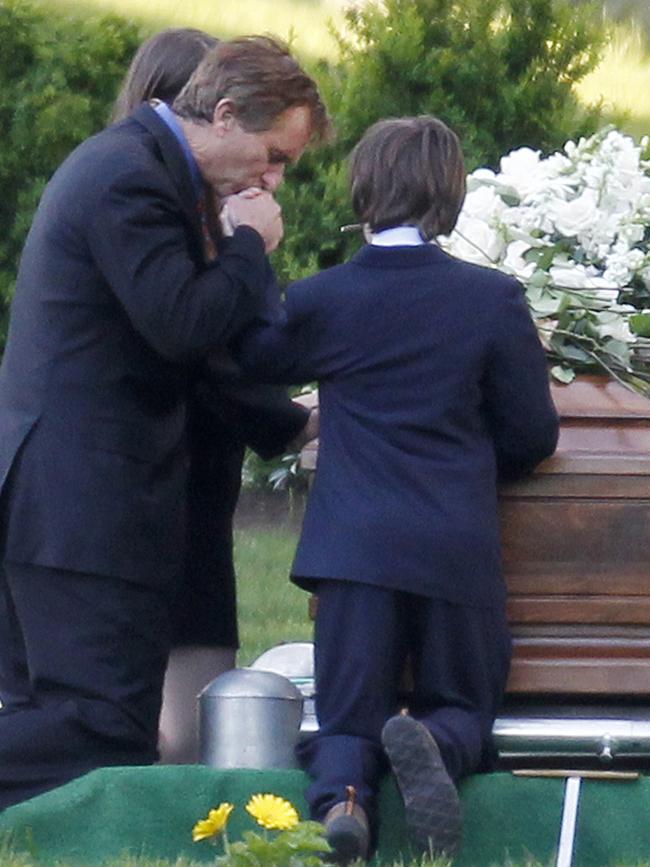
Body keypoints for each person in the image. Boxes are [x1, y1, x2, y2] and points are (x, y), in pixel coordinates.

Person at [0, 35, 329, 810]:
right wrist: (249, 245)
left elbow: (194, 356)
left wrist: (286, 422)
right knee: (105, 728)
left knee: (59, 718)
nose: (274, 180)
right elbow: (183, 324)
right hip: (79, 504)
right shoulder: (130, 178)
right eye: (274, 155)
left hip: (68, 501)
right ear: (223, 115)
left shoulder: (143, 169)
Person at [235, 116, 559, 864]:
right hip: (453, 544)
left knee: (347, 714)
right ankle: (436, 746)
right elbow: (532, 433)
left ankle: (346, 802)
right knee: (465, 702)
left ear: (363, 188)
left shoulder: (324, 299)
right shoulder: (491, 298)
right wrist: (478, 461)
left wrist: (250, 256)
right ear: (450, 195)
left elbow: (255, 358)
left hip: (352, 549)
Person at [111, 27, 316, 764]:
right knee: (141, 695)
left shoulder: (212, 210)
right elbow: (199, 346)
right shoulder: (143, 198)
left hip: (201, 475)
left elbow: (250, 335)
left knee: (195, 690)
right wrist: (294, 421)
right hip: (154, 472)